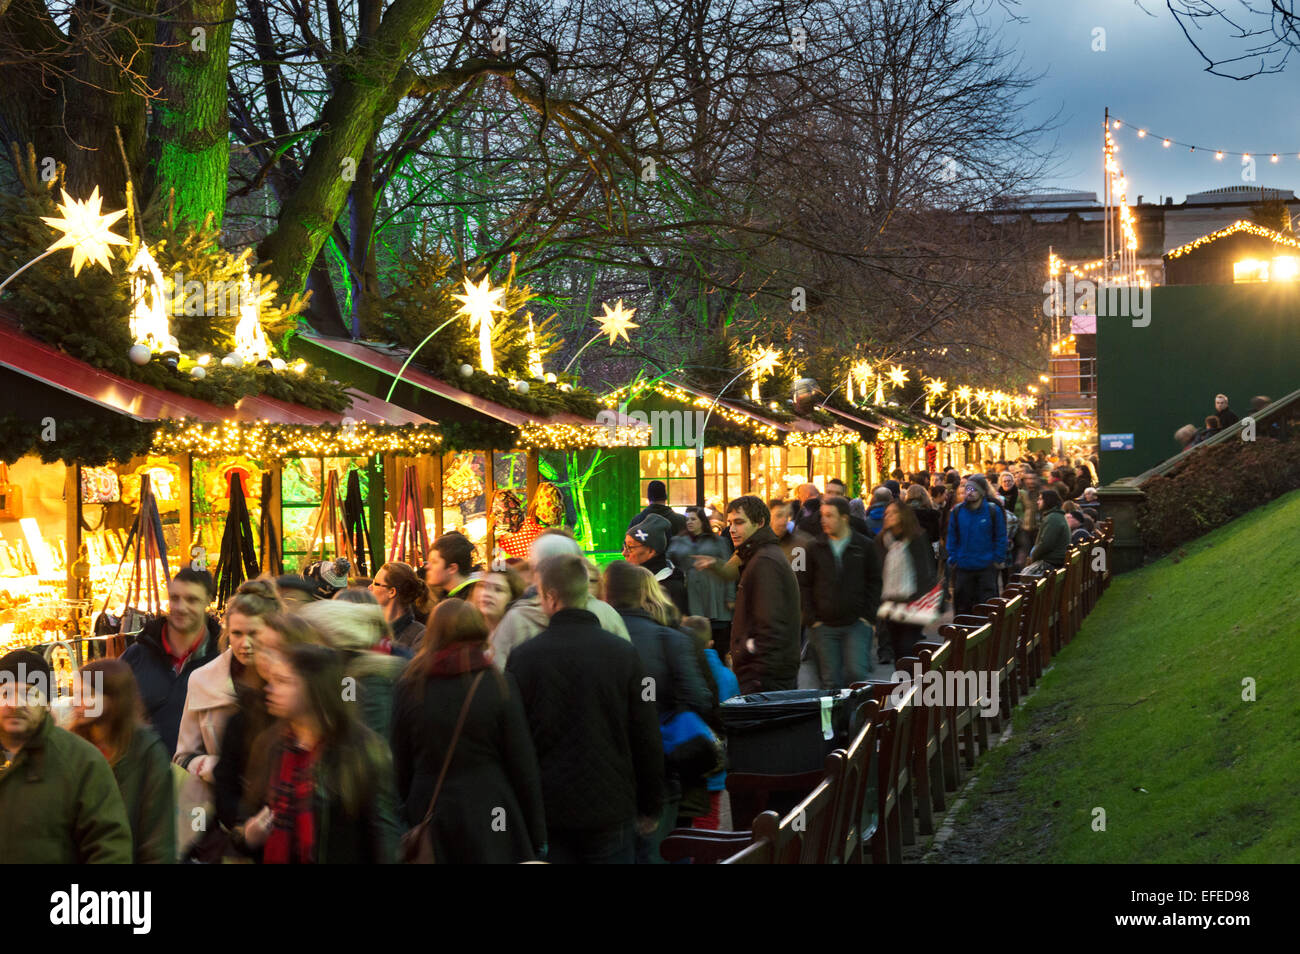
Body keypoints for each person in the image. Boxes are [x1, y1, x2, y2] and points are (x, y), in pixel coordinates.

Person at [506, 554, 664, 864]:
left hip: (550, 811)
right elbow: (646, 733)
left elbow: (515, 742)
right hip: (611, 806)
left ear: (550, 597)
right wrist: (650, 805)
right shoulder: (623, 654)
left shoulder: (524, 658)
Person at [391, 599, 546, 864]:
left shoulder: (410, 685)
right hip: (490, 808)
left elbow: (400, 762)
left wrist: (406, 813)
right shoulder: (498, 683)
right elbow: (522, 763)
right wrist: (535, 833)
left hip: (430, 807)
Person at [234, 643, 400, 863]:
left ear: (315, 688)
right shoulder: (270, 745)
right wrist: (246, 837)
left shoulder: (362, 750)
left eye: (283, 681)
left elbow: (383, 837)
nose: (269, 689)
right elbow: (245, 816)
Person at [604, 560, 713, 862]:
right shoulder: (671, 638)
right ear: (643, 594)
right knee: (662, 850)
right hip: (664, 767)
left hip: (611, 771)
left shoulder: (601, 638)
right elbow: (701, 700)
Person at [173, 577, 281, 858]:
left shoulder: (288, 680)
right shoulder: (203, 680)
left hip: (279, 811)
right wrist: (218, 769)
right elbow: (183, 756)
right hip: (222, 814)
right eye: (236, 633)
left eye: (254, 633)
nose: (244, 644)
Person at [0, 650, 132, 863]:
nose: (14, 704)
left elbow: (109, 848)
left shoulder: (81, 762)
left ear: (46, 703)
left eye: (28, 694)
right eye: (6, 693)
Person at [213, 612, 317, 838]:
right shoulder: (243, 716)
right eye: (262, 648)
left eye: (277, 649)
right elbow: (225, 788)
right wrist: (246, 830)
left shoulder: (321, 725)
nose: (267, 658)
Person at [71, 658, 176, 863]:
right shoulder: (71, 747)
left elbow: (158, 840)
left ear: (113, 698)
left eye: (86, 695)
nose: (75, 702)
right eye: (74, 694)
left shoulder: (147, 752)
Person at [121, 567, 222, 755]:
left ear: (209, 601)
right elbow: (99, 697)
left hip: (194, 777)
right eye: (175, 598)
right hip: (141, 777)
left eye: (192, 600)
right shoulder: (136, 655)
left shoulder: (221, 663)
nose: (180, 607)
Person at [491, 531, 630, 667]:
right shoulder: (606, 614)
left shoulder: (519, 619)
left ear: (538, 570)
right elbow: (628, 667)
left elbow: (497, 674)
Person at [800, 496, 882, 686]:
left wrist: (868, 616)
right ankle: (836, 716)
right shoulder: (813, 547)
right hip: (823, 624)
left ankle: (858, 713)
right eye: (822, 515)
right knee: (830, 680)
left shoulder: (864, 546)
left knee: (856, 673)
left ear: (844, 518)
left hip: (856, 622)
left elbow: (875, 581)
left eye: (829, 516)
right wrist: (811, 618)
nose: (824, 520)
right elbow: (804, 583)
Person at [298, 599, 408, 739]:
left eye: (313, 639)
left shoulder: (366, 678)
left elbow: (369, 736)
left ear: (335, 642)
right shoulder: (347, 673)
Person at [723, 495, 801, 694]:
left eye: (739, 523)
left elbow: (770, 626)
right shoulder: (759, 556)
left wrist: (750, 664)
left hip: (764, 677)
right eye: (730, 523)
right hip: (765, 673)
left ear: (760, 523)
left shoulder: (765, 561)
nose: (732, 529)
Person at [875, 501, 938, 665]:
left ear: (904, 515)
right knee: (897, 649)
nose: (888, 516)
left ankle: (912, 686)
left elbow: (926, 571)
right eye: (886, 513)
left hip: (913, 603)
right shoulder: (882, 540)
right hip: (890, 603)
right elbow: (876, 568)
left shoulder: (917, 538)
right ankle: (904, 686)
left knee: (908, 648)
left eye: (893, 513)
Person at [945, 477, 1007, 615]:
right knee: (963, 609)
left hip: (986, 567)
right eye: (967, 489)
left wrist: (997, 559)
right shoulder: (957, 511)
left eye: (973, 489)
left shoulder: (993, 511)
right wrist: (954, 558)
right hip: (963, 566)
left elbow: (1001, 536)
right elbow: (952, 536)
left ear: (982, 492)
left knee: (987, 609)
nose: (969, 492)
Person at [667, 506, 734, 628]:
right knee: (696, 629)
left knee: (717, 630)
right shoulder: (678, 541)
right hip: (691, 592)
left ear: (702, 521)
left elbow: (729, 569)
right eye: (687, 520)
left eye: (693, 519)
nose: (689, 522)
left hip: (715, 593)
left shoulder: (718, 541)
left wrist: (730, 596)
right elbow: (669, 563)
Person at [624, 512, 690, 616]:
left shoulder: (671, 588)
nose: (624, 553)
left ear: (651, 551)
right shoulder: (633, 580)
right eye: (624, 546)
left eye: (630, 547)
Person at [369, 562, 429, 652]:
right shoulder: (369, 628)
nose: (370, 587)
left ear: (392, 592)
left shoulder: (420, 636)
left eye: (375, 583)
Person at [472, 565, 527, 639]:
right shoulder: (465, 631)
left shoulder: (522, 636)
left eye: (498, 589)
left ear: (513, 597)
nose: (486, 593)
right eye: (482, 586)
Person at [427, 532, 478, 603]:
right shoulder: (451, 597)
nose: (427, 566)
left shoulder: (469, 603)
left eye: (434, 562)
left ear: (452, 568)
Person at [1029, 488, 1070, 570]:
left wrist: (1033, 557)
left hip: (1051, 563)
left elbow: (1046, 544)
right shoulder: (1055, 516)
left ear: (1048, 500)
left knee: (1020, 579)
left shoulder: (1053, 518)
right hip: (1053, 562)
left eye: (1040, 499)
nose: (1038, 502)